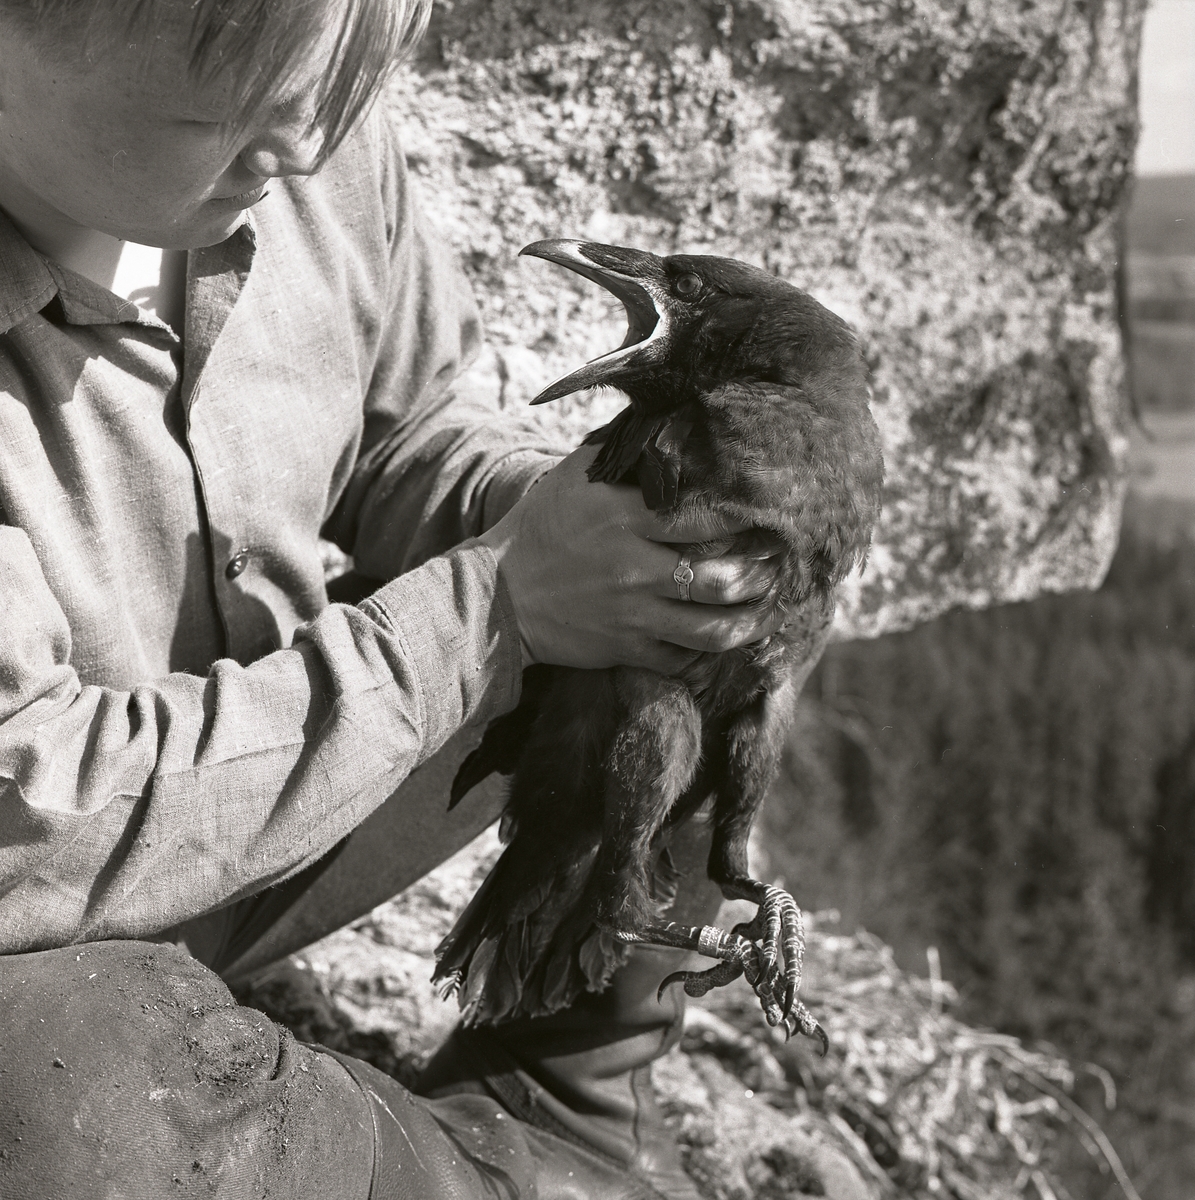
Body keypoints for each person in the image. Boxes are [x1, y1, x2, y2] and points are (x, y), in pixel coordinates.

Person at [0, 2, 861, 1197]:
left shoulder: (303, 147)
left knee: (720, 554)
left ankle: (561, 1093)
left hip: (287, 795)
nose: (298, 153)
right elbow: (26, 828)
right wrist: (496, 611)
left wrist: (610, 533)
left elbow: (409, 436)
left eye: (331, 94)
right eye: (229, 114)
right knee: (60, 1086)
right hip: (45, 902)